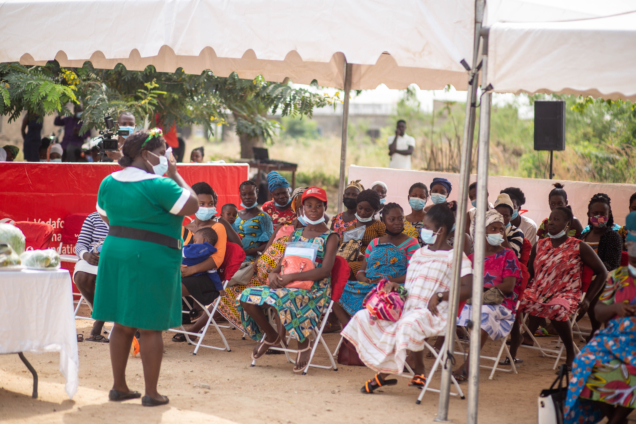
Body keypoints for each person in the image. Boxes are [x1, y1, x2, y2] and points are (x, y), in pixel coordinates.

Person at [93, 128, 199, 406]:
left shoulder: (109, 181)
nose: (166, 157)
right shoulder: (161, 185)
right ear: (144, 154)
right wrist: (175, 173)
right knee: (151, 327)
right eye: (162, 152)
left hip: (115, 253)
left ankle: (119, 387)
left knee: (121, 323)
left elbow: (105, 215)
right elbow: (193, 205)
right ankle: (151, 393)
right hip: (152, 257)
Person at [342, 204, 473, 392]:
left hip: (434, 311)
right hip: (408, 307)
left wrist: (441, 295)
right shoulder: (420, 253)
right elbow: (411, 287)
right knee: (365, 315)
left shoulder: (455, 256)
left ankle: (405, 372)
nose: (423, 231)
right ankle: (412, 371)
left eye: (427, 227)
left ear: (441, 230)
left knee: (408, 324)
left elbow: (469, 289)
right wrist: (398, 288)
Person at [238, 187, 339, 372]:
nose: (313, 209)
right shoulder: (296, 234)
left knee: (285, 297)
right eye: (309, 205)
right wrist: (273, 273)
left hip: (314, 289)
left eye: (318, 205)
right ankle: (272, 335)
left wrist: (291, 277)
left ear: (325, 208)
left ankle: (303, 343)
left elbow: (325, 271)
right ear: (302, 208)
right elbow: (284, 261)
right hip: (288, 283)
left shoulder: (330, 237)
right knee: (246, 296)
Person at [509, 206, 607, 369]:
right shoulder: (539, 245)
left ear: (567, 224)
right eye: (550, 219)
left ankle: (570, 353)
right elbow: (530, 274)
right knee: (513, 302)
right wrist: (519, 290)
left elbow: (602, 272)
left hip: (566, 294)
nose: (551, 223)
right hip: (538, 292)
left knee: (557, 308)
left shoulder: (578, 246)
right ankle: (514, 346)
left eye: (556, 219)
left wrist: (588, 299)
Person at [564, 212, 636, 424]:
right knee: (584, 363)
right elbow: (599, 312)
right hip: (614, 338)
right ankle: (616, 418)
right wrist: (616, 307)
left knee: (631, 369)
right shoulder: (619, 276)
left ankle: (615, 420)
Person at [217, 190, 307, 331]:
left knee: (246, 292)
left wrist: (275, 272)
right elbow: (266, 250)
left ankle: (270, 334)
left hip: (279, 276)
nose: (305, 210)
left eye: (306, 206)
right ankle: (260, 331)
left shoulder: (310, 234)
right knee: (229, 290)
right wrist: (257, 262)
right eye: (300, 206)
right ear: (295, 208)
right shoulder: (282, 227)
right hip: (259, 270)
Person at [454, 210, 522, 381]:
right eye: (493, 228)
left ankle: (468, 365)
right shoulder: (472, 258)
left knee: (483, 312)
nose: (498, 233)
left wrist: (480, 292)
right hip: (473, 302)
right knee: (446, 309)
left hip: (500, 305)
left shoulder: (508, 255)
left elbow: (509, 286)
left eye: (501, 229)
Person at [333, 203, 420, 327]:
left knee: (383, 297)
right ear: (384, 221)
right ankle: (350, 328)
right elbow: (361, 272)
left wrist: (387, 281)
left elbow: (413, 274)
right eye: (392, 219)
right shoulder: (374, 243)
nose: (397, 223)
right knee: (335, 290)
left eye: (400, 218)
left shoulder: (411, 243)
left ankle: (369, 329)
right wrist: (366, 280)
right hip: (370, 285)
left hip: (394, 287)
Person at [579, 193, 623, 339]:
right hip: (582, 276)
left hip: (605, 276)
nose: (599, 217)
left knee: (597, 286)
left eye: (603, 214)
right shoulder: (583, 236)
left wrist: (592, 269)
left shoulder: (613, 237)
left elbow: (612, 263)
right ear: (589, 214)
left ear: (609, 215)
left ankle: (596, 329)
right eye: (595, 213)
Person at [73, 211, 110, 343]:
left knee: (110, 280)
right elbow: (80, 244)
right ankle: (101, 313)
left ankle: (99, 321)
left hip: (115, 261)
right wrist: (85, 255)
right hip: (92, 258)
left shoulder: (125, 217)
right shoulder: (93, 218)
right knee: (81, 277)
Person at [345, 189, 387, 279]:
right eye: (360, 208)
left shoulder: (379, 226)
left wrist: (367, 257)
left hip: (372, 262)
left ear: (375, 210)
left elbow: (387, 248)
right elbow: (343, 249)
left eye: (367, 210)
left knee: (349, 269)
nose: (362, 212)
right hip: (351, 261)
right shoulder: (350, 229)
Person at [233, 181, 274, 262]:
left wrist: (247, 252)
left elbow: (269, 243)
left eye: (251, 194)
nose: (247, 197)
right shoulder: (235, 214)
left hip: (251, 259)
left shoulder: (263, 217)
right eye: (244, 194)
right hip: (233, 256)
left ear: (257, 194)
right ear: (240, 196)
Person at [180, 227, 223, 305]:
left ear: (204, 240)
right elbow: (213, 273)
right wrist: (219, 288)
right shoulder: (208, 255)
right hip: (191, 276)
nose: (193, 243)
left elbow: (183, 252)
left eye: (195, 241)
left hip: (182, 270)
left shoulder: (200, 248)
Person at [493, 193, 524, 260]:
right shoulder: (489, 230)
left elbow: (512, 257)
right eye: (499, 215)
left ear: (511, 216)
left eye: (506, 216)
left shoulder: (516, 232)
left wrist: (502, 232)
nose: (502, 218)